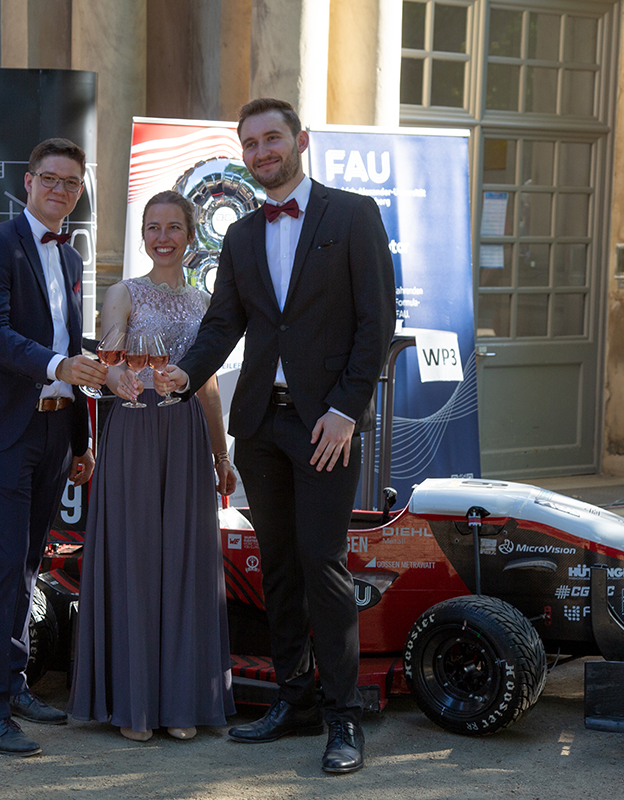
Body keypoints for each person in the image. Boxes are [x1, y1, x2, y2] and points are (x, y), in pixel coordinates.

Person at [157, 98, 395, 774]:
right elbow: (222, 325)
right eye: (251, 143)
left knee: (323, 565)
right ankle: (296, 701)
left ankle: (343, 718)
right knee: (280, 567)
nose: (261, 152)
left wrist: (346, 409)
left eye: (272, 139)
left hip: (326, 425)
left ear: (301, 140)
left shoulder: (353, 215)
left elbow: (376, 323)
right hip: (261, 422)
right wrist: (181, 376)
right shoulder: (239, 235)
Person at [0, 137, 108, 757]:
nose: (60, 191)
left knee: (29, 564)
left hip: (54, 429)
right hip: (6, 428)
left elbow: (69, 345)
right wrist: (59, 366)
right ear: (28, 181)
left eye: (71, 183)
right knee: (6, 562)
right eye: (51, 179)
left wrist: (80, 439)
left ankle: (13, 684)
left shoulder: (69, 258)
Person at [67, 191, 237, 742]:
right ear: (142, 236)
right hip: (135, 431)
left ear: (191, 235)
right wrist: (125, 378)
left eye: (173, 227)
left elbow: (207, 386)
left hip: (186, 437)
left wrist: (221, 454)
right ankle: (134, 704)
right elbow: (108, 367)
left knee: (186, 564)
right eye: (152, 228)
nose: (163, 237)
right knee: (136, 559)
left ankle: (182, 702)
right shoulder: (123, 292)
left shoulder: (205, 301)